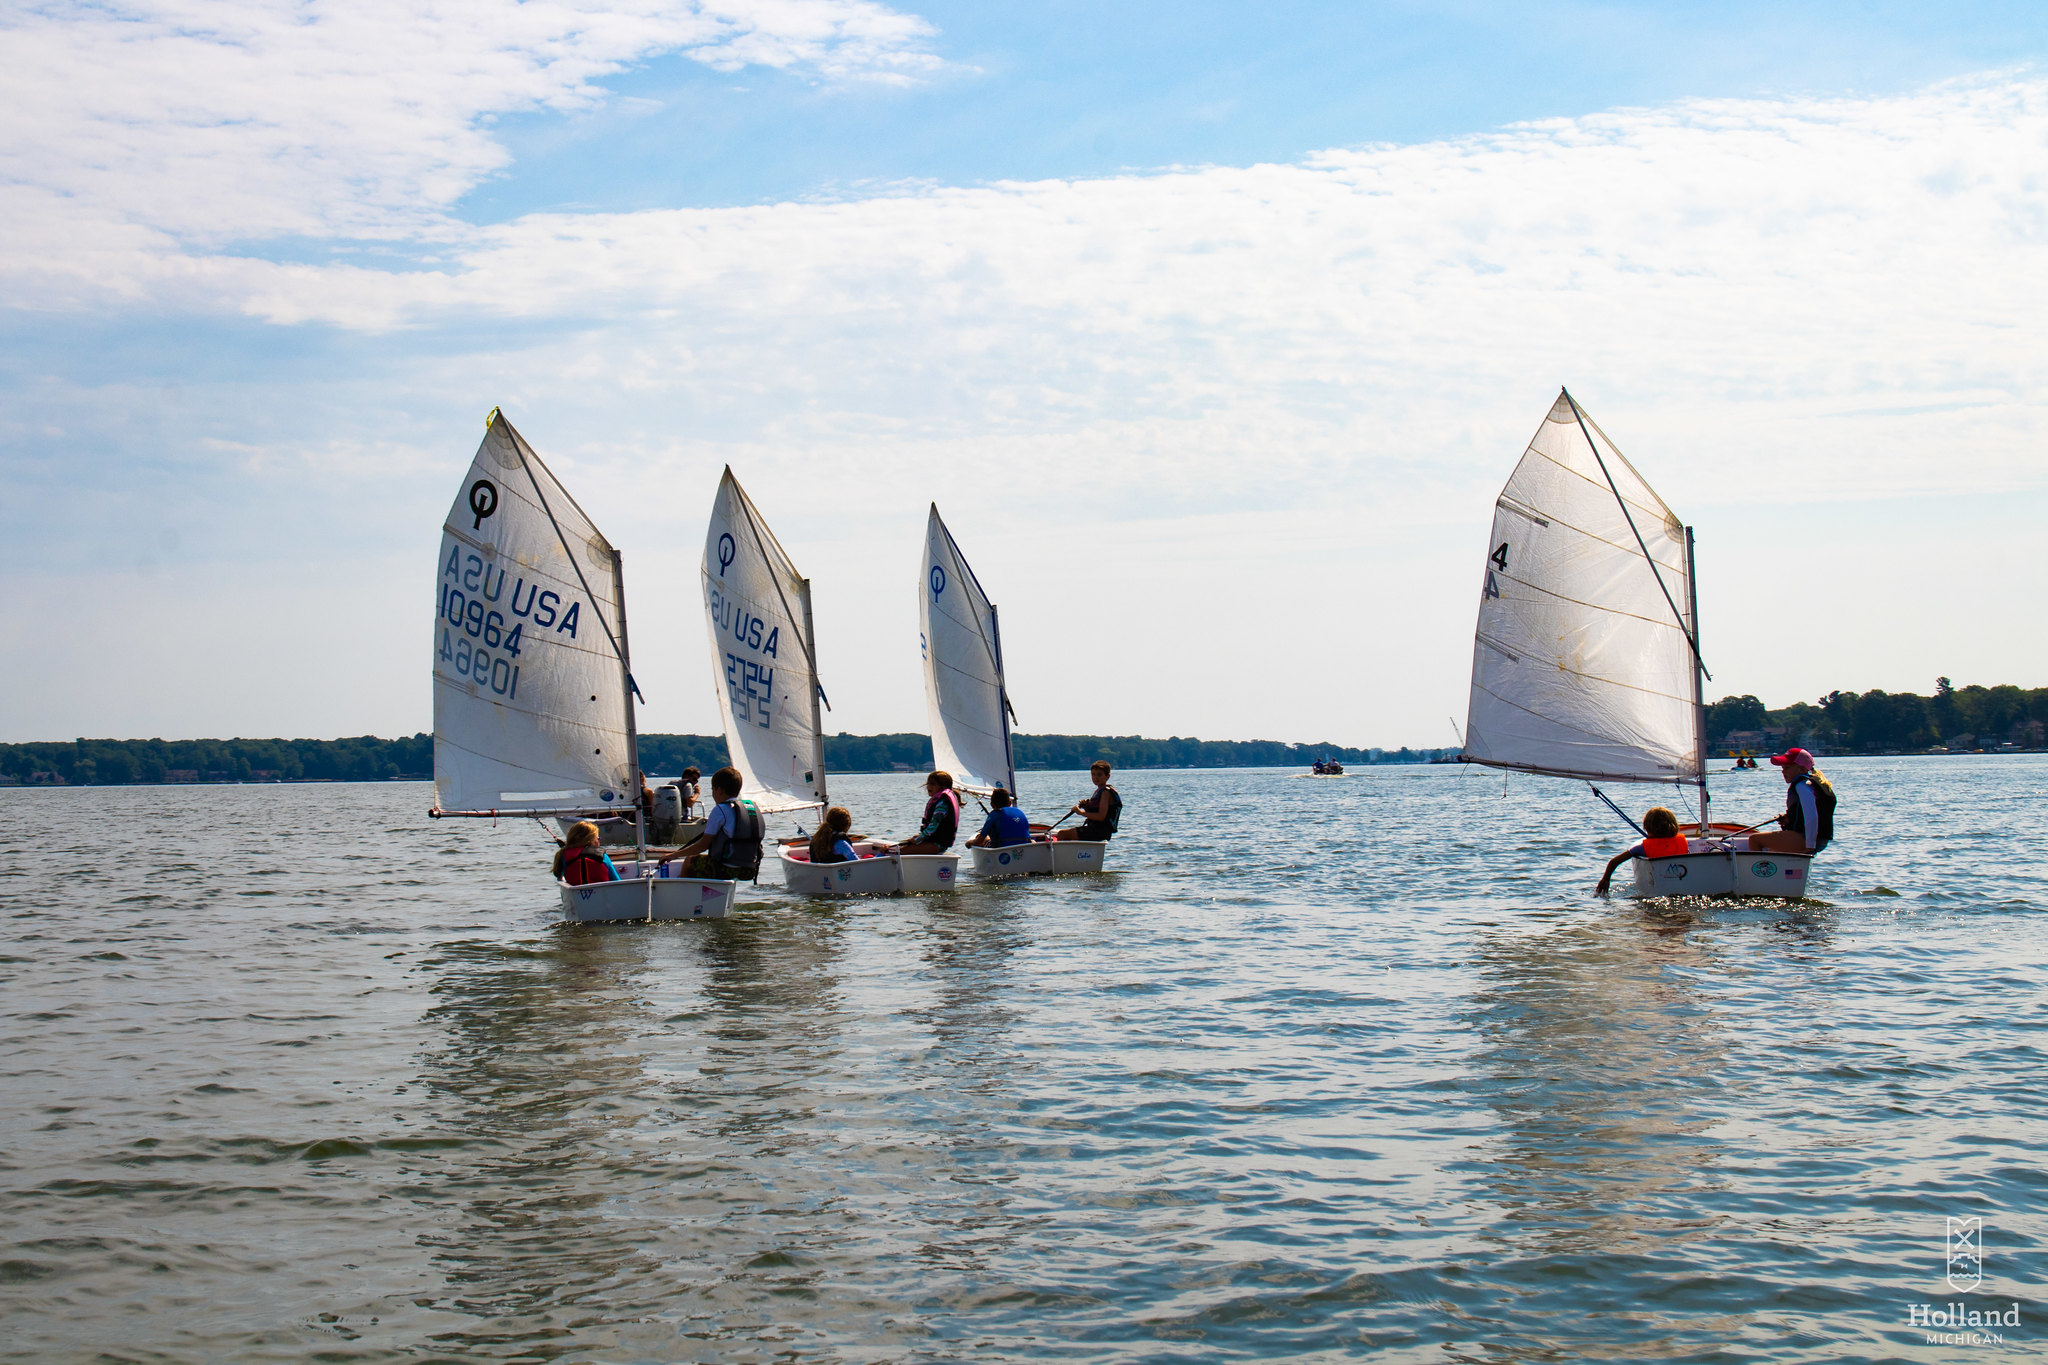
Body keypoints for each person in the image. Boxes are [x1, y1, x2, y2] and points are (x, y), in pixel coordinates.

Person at [660, 767, 764, 880]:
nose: (713, 794)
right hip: (749, 870)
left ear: (718, 790)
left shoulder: (721, 809)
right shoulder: (750, 808)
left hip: (728, 868)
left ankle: (684, 895)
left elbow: (702, 846)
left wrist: (674, 855)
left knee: (689, 861)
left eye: (712, 789)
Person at [1747, 748, 1837, 854]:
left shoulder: (1801, 785)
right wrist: (1788, 818)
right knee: (1772, 851)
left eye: (1787, 767)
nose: (1783, 771)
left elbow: (1812, 816)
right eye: (1782, 768)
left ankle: (1758, 870)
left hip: (1808, 839)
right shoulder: (1813, 784)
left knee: (1754, 840)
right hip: (1818, 839)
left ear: (1801, 769)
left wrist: (1810, 845)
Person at [1595, 806, 1690, 894]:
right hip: (1684, 886)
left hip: (1656, 890)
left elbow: (1614, 861)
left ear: (1647, 827)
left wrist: (1605, 879)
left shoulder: (1641, 848)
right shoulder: (1683, 842)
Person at [888, 771, 960, 856]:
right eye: (928, 783)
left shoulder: (943, 803)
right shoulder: (940, 800)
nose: (928, 786)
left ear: (943, 786)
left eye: (933, 784)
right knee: (897, 848)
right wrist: (919, 837)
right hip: (932, 841)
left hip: (938, 845)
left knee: (898, 851)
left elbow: (932, 827)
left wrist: (918, 839)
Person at [1049, 760, 1121, 842]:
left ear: (1107, 776)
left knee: (1062, 834)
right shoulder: (1098, 791)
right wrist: (1086, 807)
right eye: (1093, 775)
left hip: (1099, 832)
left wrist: (1080, 812)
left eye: (1099, 775)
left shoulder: (1106, 792)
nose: (1096, 777)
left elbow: (1101, 816)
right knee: (1063, 834)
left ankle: (1060, 854)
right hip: (1094, 829)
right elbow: (1094, 813)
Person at [553, 820, 620, 885]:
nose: (599, 841)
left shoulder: (564, 856)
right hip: (603, 894)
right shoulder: (603, 856)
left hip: (575, 895)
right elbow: (616, 881)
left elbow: (559, 878)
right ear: (592, 840)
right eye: (598, 838)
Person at [967, 787, 1032, 848]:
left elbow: (979, 841)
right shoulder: (1019, 812)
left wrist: (969, 843)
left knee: (982, 838)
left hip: (1001, 849)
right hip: (1024, 847)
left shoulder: (994, 814)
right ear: (1010, 803)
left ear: (992, 805)